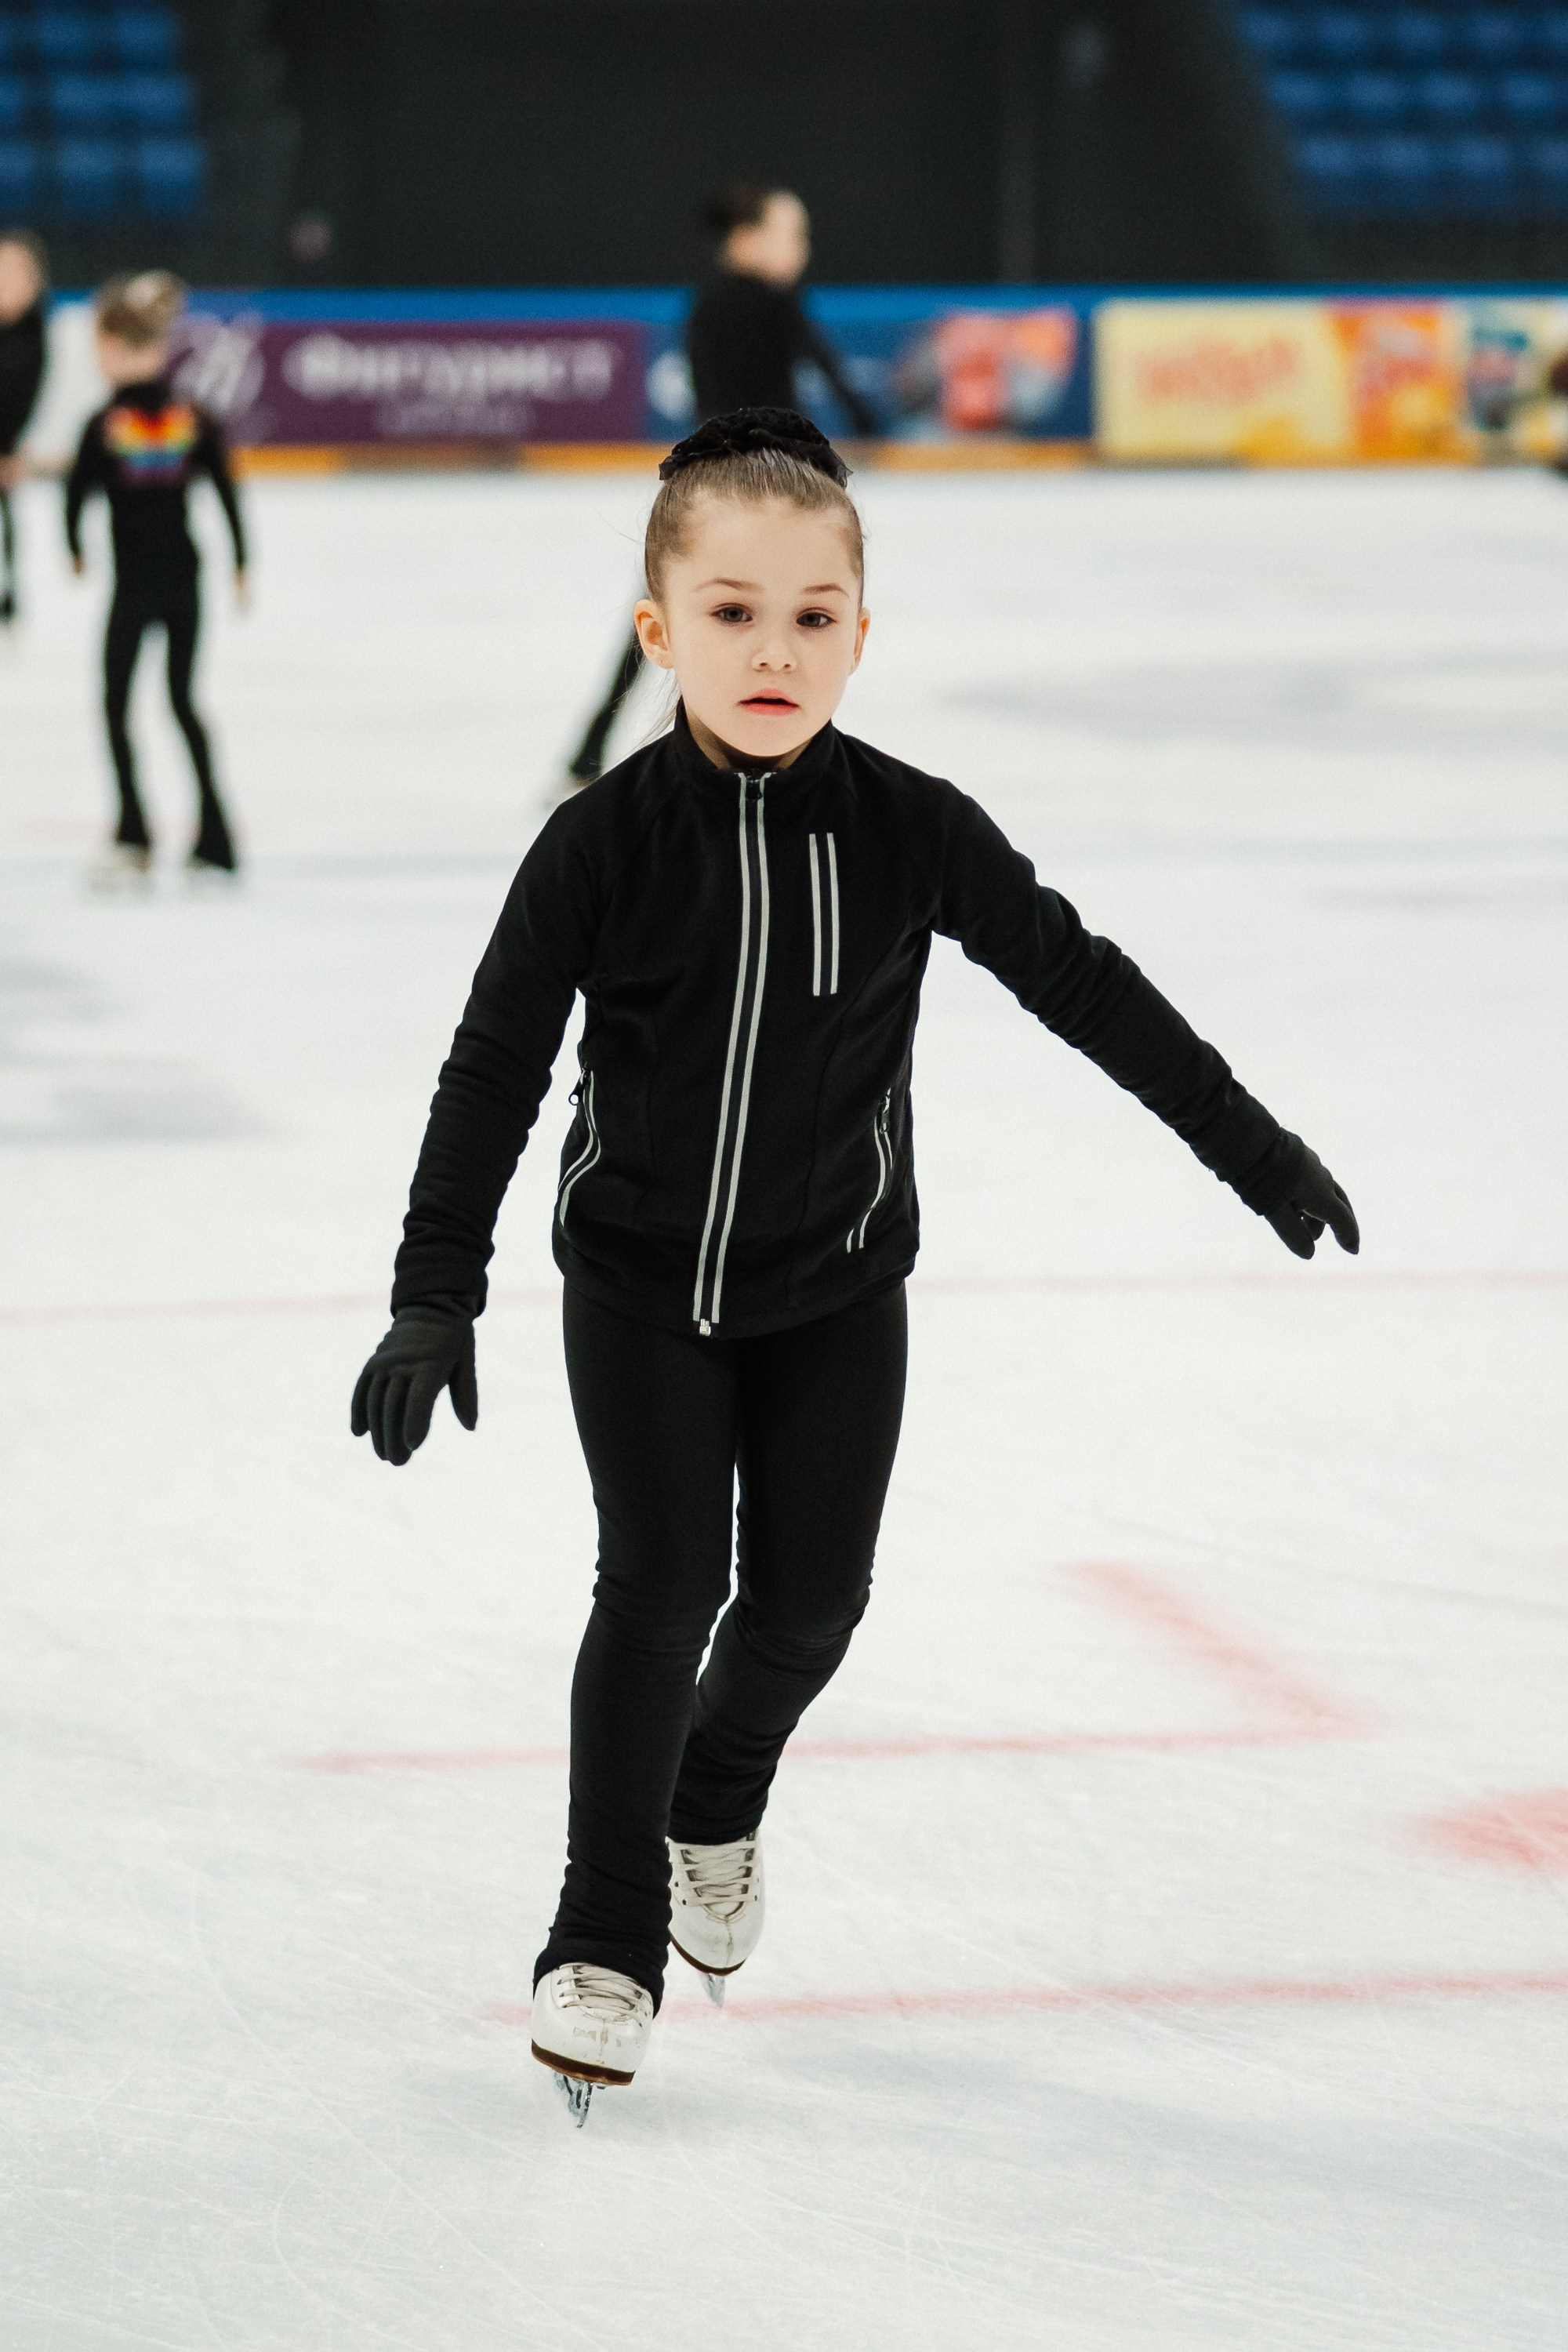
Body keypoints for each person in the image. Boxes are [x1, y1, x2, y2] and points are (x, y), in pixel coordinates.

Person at [351, 407, 1359, 2124]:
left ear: (861, 636)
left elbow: (1083, 984)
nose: (774, 648)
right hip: (640, 1286)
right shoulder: (599, 845)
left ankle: (715, 1795)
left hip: (837, 1287)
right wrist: (434, 1289)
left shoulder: (912, 827)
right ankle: (603, 1940)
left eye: (814, 615)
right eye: (732, 612)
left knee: (810, 1604)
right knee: (658, 1589)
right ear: (658, 629)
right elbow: (494, 1064)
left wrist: (1249, 1143)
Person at [557, 183, 878, 796]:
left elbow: (713, 403)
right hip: (780, 493)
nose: (802, 250)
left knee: (679, 619)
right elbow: (826, 379)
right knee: (796, 626)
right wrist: (860, 428)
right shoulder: (777, 305)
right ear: (747, 238)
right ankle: (780, 758)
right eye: (793, 235)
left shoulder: (704, 306)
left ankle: (591, 750)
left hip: (710, 487)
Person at [64, 271, 248, 887]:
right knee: (181, 703)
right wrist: (243, 562)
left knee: (120, 704)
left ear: (114, 345)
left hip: (138, 587)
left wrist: (74, 547)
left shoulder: (104, 424)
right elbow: (226, 493)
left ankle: (136, 835)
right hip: (184, 582)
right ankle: (213, 837)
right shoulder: (192, 417)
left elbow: (77, 495)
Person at [0, 229, 49, 625]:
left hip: (8, 445)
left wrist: (15, 449)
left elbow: (31, 397)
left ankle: (10, 588)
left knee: (7, 518)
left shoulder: (36, 333)